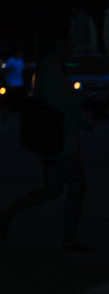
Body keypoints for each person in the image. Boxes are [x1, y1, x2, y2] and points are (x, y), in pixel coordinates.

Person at [0, 27, 94, 249]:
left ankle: (7, 215)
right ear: (58, 43)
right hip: (61, 141)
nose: (72, 44)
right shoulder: (52, 69)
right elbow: (59, 102)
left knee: (52, 189)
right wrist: (81, 104)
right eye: (69, 40)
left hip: (51, 140)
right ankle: (69, 240)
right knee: (77, 187)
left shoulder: (45, 68)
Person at [1, 49, 26, 129]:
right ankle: (3, 123)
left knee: (22, 104)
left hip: (19, 85)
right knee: (7, 105)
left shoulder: (20, 61)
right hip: (11, 85)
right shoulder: (11, 61)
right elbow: (4, 71)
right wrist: (5, 82)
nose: (20, 53)